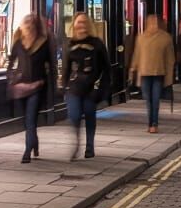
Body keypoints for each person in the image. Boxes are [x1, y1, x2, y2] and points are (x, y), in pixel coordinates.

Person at [62, 12, 111, 158]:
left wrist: (103, 89)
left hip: (91, 88)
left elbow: (106, 68)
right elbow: (66, 68)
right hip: (74, 88)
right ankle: (77, 143)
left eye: (84, 22)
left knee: (90, 116)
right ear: (74, 25)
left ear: (88, 25)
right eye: (78, 22)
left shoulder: (97, 44)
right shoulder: (70, 44)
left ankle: (89, 147)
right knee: (74, 115)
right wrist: (63, 87)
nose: (81, 25)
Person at [6, 12, 52, 163]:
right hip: (21, 87)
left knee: (31, 118)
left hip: (38, 86)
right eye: (26, 25)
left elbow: (50, 65)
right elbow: (11, 61)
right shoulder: (18, 43)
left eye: (31, 25)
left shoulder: (43, 43)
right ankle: (34, 143)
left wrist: (52, 84)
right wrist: (11, 78)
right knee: (27, 120)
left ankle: (27, 151)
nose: (28, 27)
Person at [130, 13, 176, 133]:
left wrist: (170, 76)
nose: (153, 25)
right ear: (147, 23)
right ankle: (151, 122)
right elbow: (137, 55)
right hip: (144, 73)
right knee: (148, 99)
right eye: (151, 22)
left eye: (155, 22)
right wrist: (132, 69)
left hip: (158, 73)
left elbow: (170, 59)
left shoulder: (166, 38)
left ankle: (153, 123)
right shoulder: (141, 38)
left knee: (155, 99)